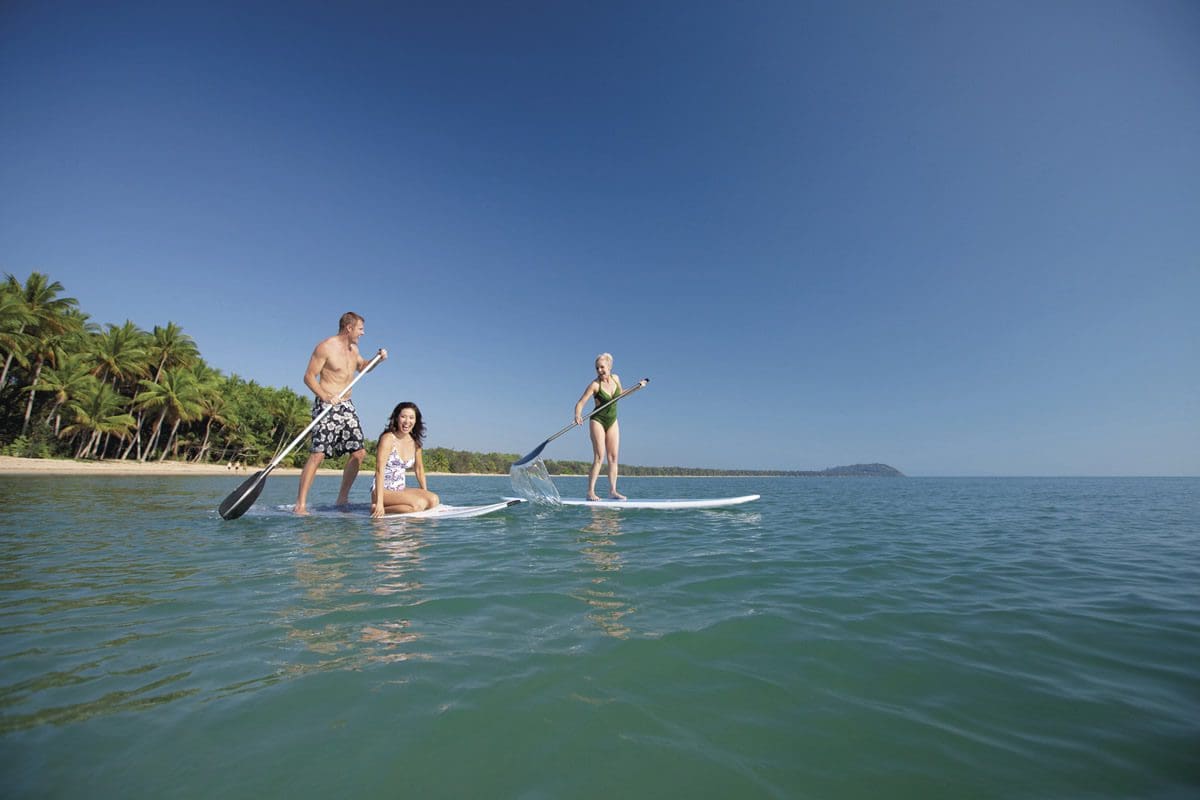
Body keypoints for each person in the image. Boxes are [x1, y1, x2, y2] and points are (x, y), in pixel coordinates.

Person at [295, 312, 387, 515]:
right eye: (360, 329)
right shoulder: (325, 347)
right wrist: (326, 397)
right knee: (318, 454)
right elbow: (309, 377)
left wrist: (377, 360)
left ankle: (342, 498)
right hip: (326, 404)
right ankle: (300, 504)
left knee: (359, 452)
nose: (362, 333)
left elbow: (363, 367)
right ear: (349, 327)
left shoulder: (354, 349)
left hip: (346, 405)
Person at [574, 352, 631, 501]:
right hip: (597, 420)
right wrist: (577, 415)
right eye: (597, 368)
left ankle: (613, 491)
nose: (599, 370)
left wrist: (638, 387)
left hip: (612, 421)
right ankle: (590, 492)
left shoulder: (616, 378)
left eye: (602, 367)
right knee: (600, 456)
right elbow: (580, 403)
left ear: (609, 367)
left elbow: (621, 394)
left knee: (613, 457)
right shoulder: (595, 385)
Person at [371, 401, 440, 517]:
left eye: (411, 418)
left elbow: (419, 470)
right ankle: (377, 508)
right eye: (403, 417)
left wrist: (425, 493)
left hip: (400, 489)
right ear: (397, 418)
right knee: (418, 505)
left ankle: (406, 507)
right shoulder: (388, 438)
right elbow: (379, 470)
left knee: (433, 500)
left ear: (416, 420)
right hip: (382, 490)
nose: (407, 421)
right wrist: (379, 503)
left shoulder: (415, 443)